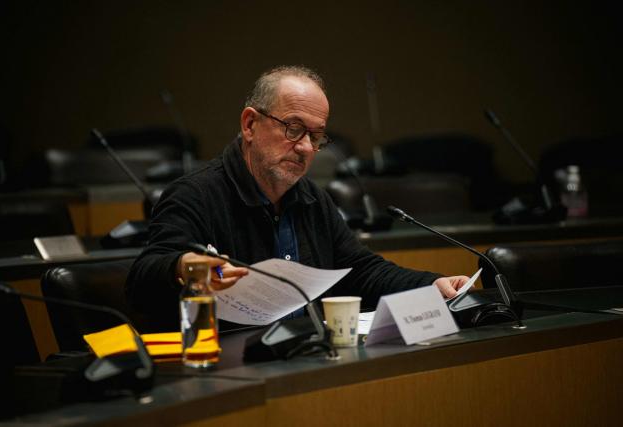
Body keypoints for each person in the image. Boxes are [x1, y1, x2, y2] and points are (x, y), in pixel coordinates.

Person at [126, 65, 469, 330]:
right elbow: (141, 282)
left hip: (302, 357)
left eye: (317, 136)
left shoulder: (310, 198)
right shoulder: (195, 194)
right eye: (293, 129)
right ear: (250, 125)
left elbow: (360, 270)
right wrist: (183, 267)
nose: (306, 147)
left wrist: (430, 285)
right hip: (229, 368)